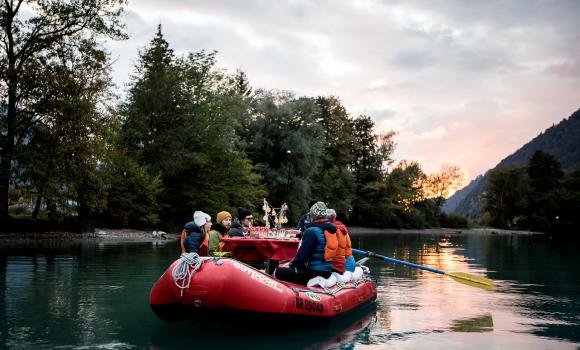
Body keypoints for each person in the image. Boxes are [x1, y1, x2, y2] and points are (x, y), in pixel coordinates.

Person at [275, 201, 339, 285]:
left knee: (279, 272)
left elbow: (302, 256)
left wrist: (292, 267)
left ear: (313, 216)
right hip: (327, 271)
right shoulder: (331, 230)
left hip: (315, 273)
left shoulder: (312, 231)